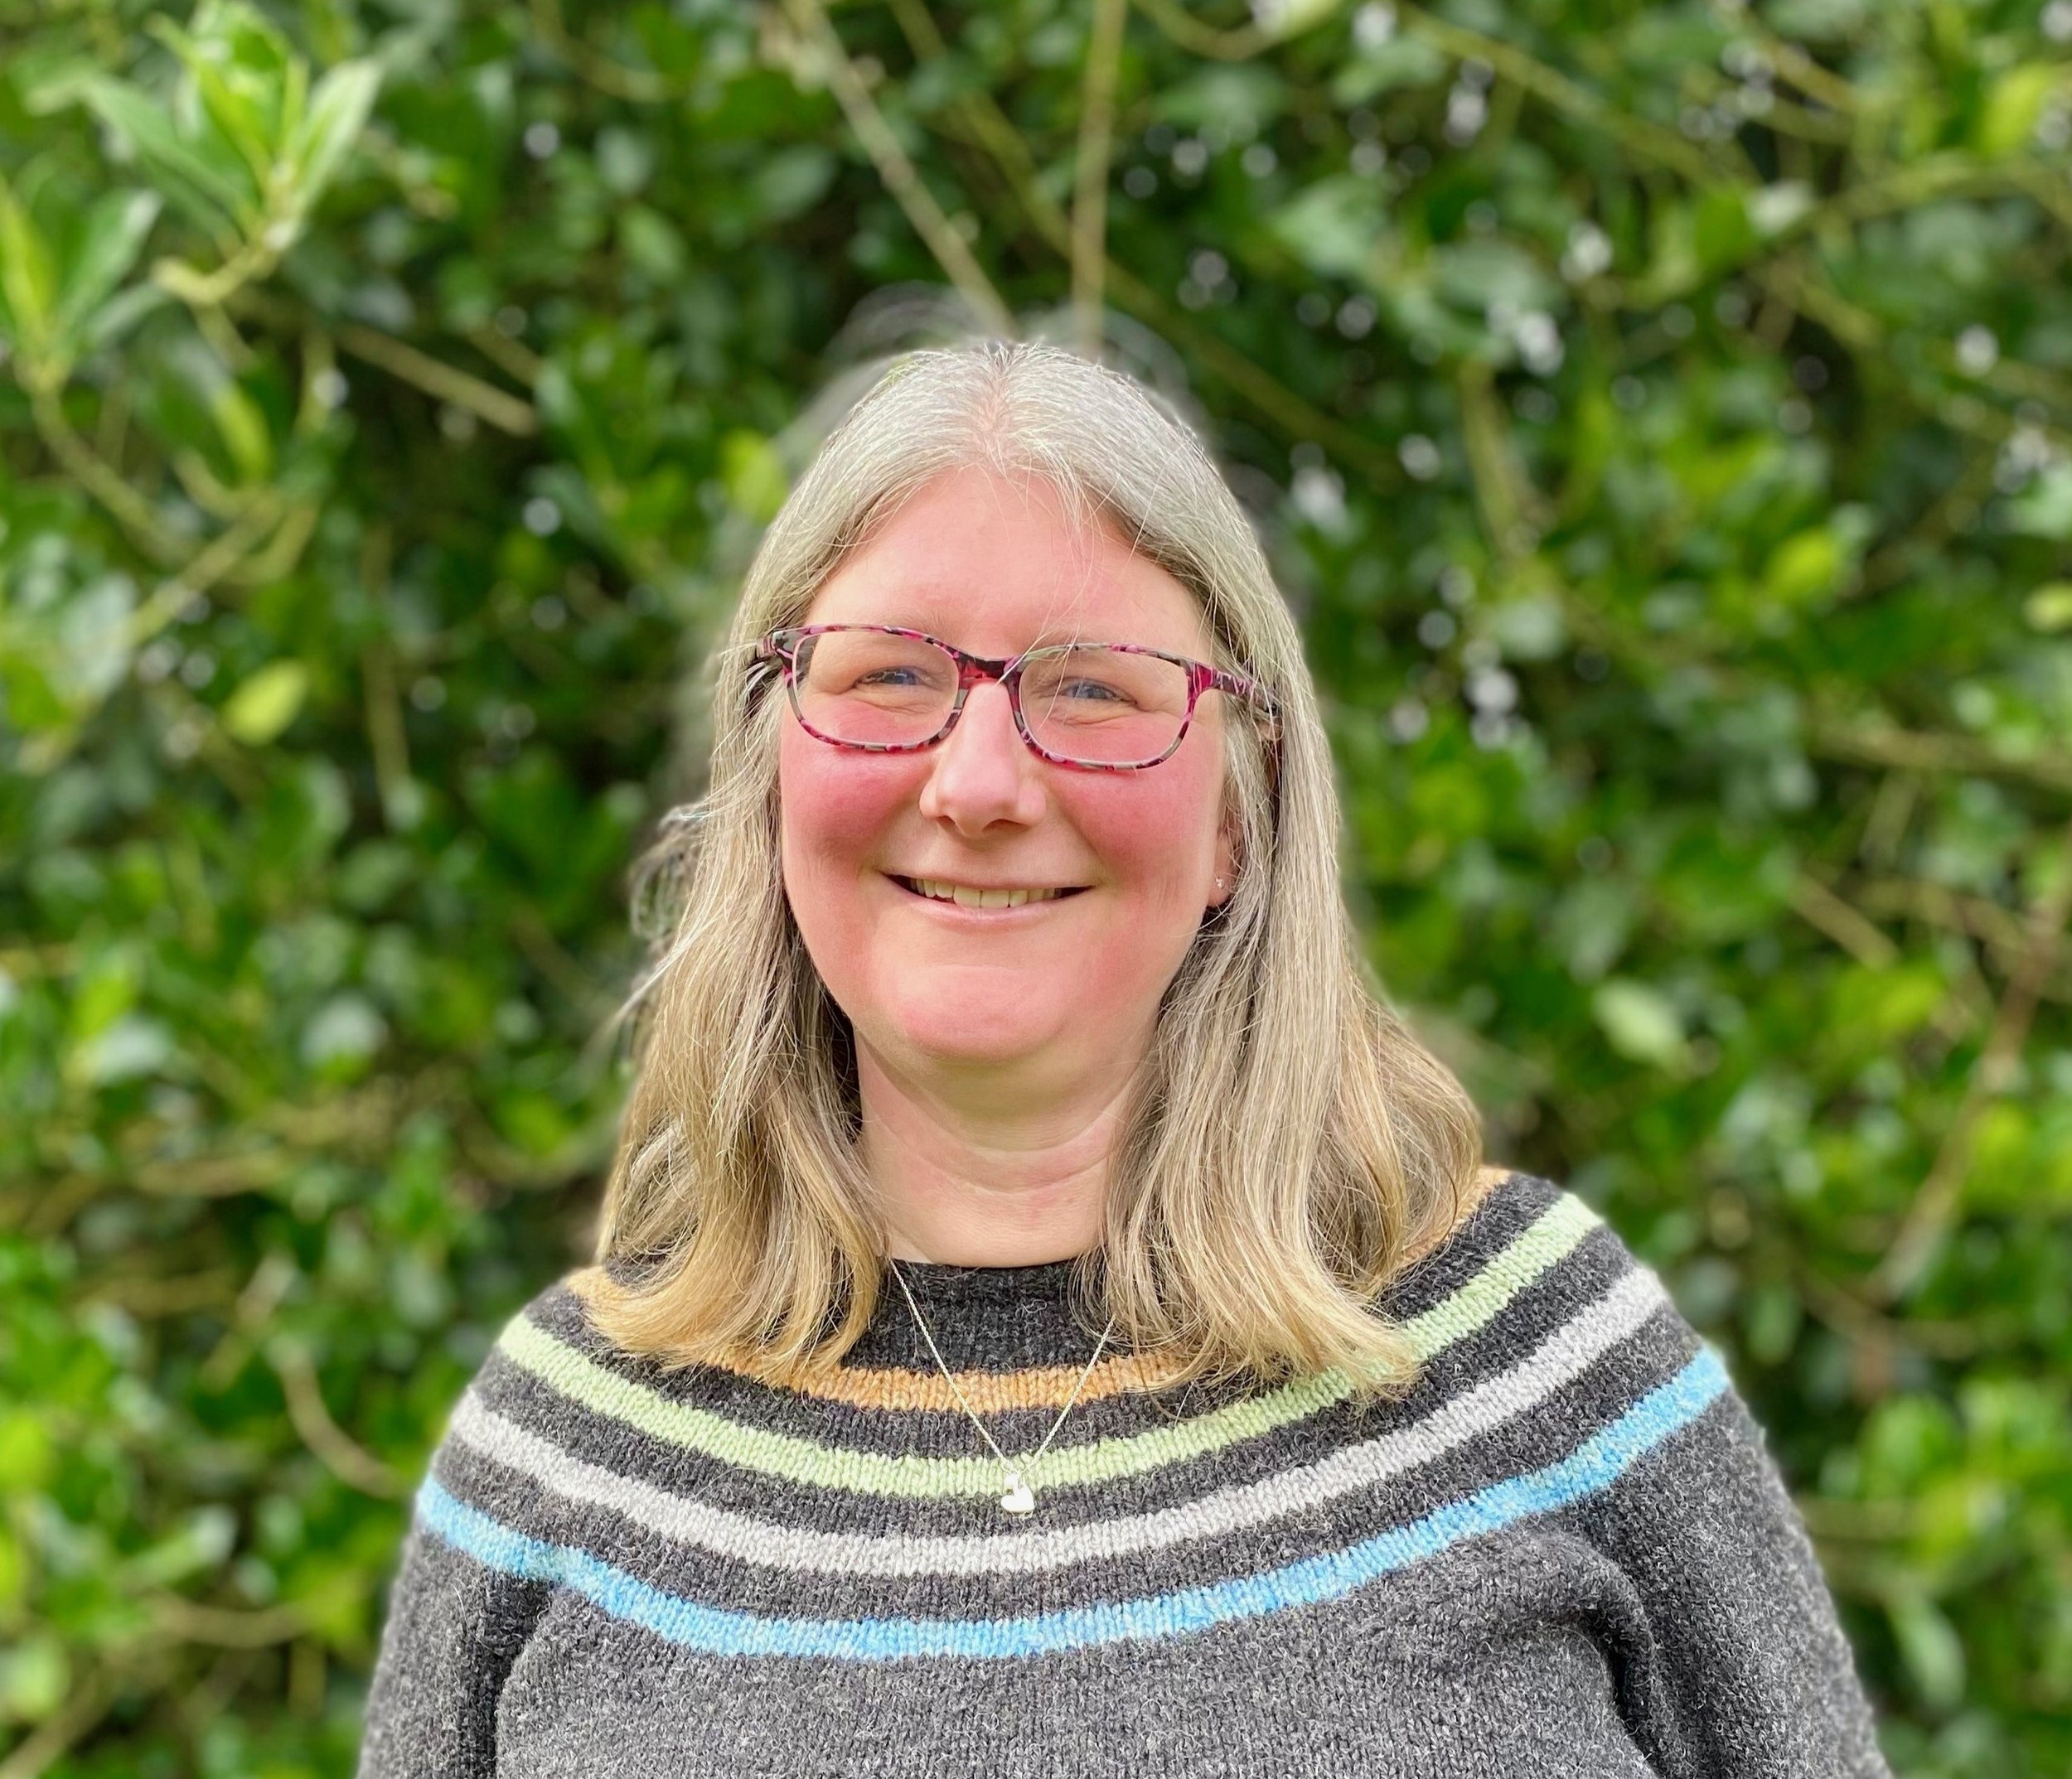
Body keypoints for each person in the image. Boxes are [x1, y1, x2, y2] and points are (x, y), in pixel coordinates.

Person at [356, 340, 1893, 1777]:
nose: (978, 783)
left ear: (1238, 817)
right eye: (888, 674)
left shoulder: (1543, 1362)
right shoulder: (564, 1452)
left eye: (1091, 689)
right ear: (771, 771)